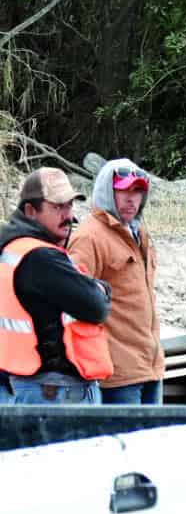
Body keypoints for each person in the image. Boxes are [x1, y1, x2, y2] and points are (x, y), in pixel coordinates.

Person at [2, 167, 113, 405]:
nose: (67, 215)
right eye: (57, 207)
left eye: (70, 205)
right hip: (54, 391)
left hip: (20, 383)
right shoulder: (41, 257)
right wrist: (100, 288)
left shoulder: (10, 246)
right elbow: (96, 307)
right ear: (31, 211)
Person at [68, 160, 164, 406]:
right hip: (117, 374)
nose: (131, 199)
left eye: (137, 191)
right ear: (106, 191)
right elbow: (73, 302)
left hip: (150, 367)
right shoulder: (89, 237)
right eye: (123, 190)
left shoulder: (138, 231)